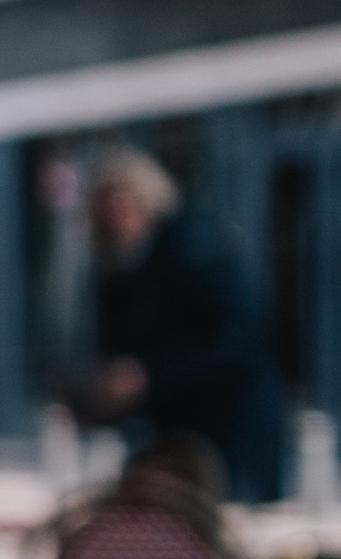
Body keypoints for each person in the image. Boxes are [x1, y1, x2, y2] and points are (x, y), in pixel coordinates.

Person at [74, 148, 287, 504]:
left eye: (125, 210)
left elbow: (239, 342)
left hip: (230, 431)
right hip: (176, 434)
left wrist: (149, 377)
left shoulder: (194, 250)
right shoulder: (120, 268)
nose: (117, 222)